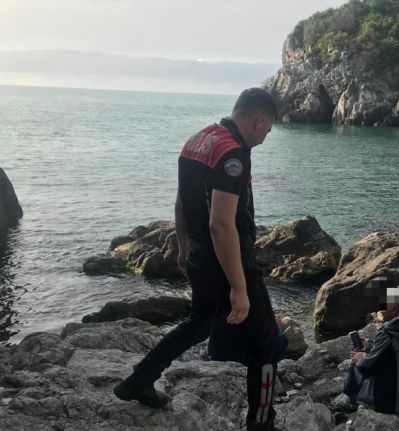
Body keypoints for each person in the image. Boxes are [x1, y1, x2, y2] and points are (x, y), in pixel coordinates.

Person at [114, 88, 279, 431]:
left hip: (200, 256)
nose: (265, 138)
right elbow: (222, 224)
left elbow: (180, 201)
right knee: (266, 343)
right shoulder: (234, 153)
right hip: (228, 261)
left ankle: (138, 380)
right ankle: (261, 424)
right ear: (259, 120)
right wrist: (239, 287)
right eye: (267, 129)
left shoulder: (198, 140)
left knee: (199, 323)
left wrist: (182, 246)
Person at [344, 286, 399, 414]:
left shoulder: (388, 333)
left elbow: (366, 368)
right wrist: (370, 346)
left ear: (393, 309)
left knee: (356, 367)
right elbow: (394, 352)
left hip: (395, 402)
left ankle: (351, 403)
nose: (379, 307)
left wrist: (359, 359)